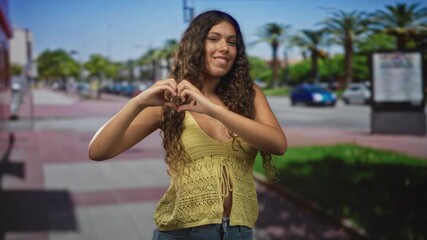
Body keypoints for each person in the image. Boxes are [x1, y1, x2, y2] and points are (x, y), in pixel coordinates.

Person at [88, 10, 287, 240]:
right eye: (213, 39)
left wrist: (213, 109)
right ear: (195, 45)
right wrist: (138, 102)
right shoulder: (172, 99)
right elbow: (98, 151)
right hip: (183, 234)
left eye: (231, 42)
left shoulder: (250, 95)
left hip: (239, 233)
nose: (224, 47)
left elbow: (278, 144)